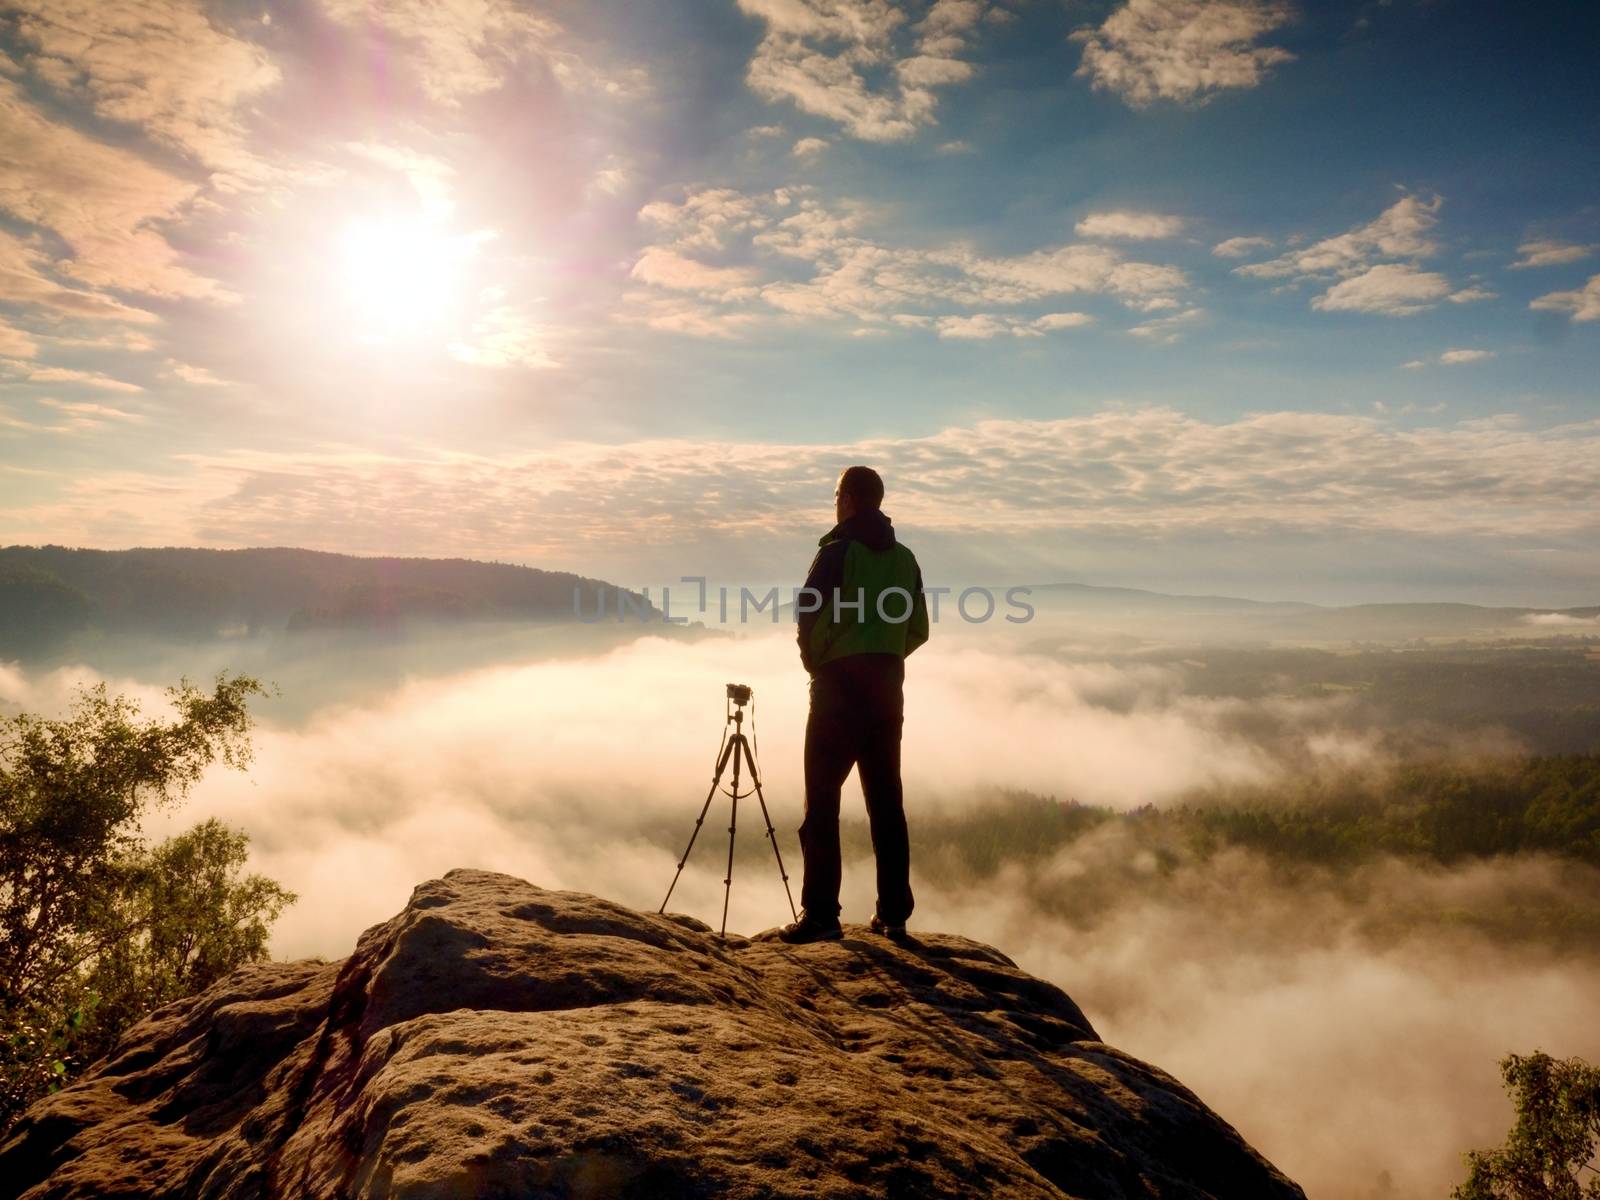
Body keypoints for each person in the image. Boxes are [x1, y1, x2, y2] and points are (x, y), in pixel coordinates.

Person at [777, 466, 929, 945]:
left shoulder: (836, 552)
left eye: (837, 492)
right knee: (887, 803)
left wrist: (819, 662)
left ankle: (822, 916)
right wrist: (883, 658)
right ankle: (894, 915)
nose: (835, 500)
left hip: (838, 691)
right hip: (887, 691)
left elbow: (808, 613)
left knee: (822, 802)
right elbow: (918, 627)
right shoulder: (906, 560)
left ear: (848, 499)